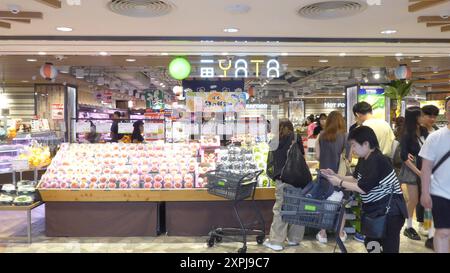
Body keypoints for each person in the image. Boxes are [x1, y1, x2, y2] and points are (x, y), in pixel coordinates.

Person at [321, 126, 408, 253]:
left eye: (354, 145)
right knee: (371, 243)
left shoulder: (377, 160)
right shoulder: (364, 158)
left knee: (389, 247)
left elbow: (362, 188)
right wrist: (336, 175)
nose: (353, 149)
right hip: (376, 210)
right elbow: (356, 179)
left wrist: (339, 182)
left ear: (366, 144)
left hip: (390, 212)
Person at [264, 119, 305, 251]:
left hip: (282, 179)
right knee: (296, 206)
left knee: (280, 209)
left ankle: (276, 241)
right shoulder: (297, 138)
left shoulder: (274, 141)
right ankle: (294, 239)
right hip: (297, 178)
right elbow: (302, 157)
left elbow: (272, 162)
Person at [419, 96, 450, 253]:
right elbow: (426, 168)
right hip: (440, 193)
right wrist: (425, 193)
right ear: (446, 113)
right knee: (443, 232)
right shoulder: (435, 137)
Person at [314, 111, 348, 244]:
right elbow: (348, 158)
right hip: (339, 176)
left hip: (324, 175)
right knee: (341, 205)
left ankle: (322, 233)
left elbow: (318, 156)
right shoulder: (345, 136)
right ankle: (340, 233)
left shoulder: (321, 135)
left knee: (325, 204)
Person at [399, 107, 428, 240]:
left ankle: (426, 225)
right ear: (414, 117)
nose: (423, 118)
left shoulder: (424, 130)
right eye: (421, 115)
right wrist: (419, 172)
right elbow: (404, 156)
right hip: (412, 169)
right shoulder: (406, 134)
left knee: (425, 198)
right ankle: (408, 226)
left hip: (425, 166)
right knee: (414, 199)